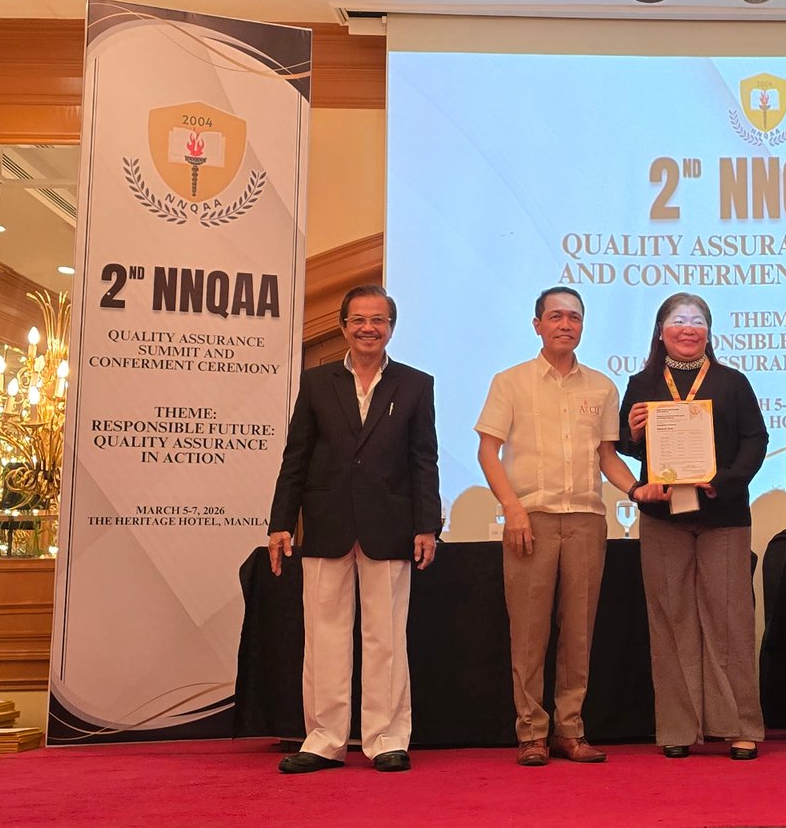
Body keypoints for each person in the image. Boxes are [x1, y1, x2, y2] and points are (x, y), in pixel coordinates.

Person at [476, 286, 665, 766]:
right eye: (556, 316)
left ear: (583, 326)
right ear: (537, 324)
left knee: (578, 631)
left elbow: (607, 457)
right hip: (530, 518)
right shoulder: (510, 382)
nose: (566, 325)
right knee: (529, 632)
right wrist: (512, 508)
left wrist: (636, 489)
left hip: (586, 519)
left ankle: (570, 729)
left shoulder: (601, 387)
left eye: (574, 317)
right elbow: (488, 451)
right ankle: (531, 733)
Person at [268, 285, 441, 775]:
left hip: (391, 526)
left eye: (379, 320)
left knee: (386, 638)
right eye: (359, 319)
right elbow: (296, 457)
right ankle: (324, 740)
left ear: (391, 327)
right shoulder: (316, 382)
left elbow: (423, 460)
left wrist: (427, 525)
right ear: (343, 326)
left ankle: (387, 738)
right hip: (327, 524)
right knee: (324, 638)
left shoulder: (415, 384)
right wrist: (281, 523)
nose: (369, 328)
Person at [617, 293, 768, 761]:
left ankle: (739, 726)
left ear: (709, 330)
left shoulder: (732, 381)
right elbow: (628, 446)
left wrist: (722, 482)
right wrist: (633, 433)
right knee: (670, 618)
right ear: (661, 330)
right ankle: (677, 727)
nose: (688, 328)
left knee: (730, 619)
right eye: (679, 320)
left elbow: (756, 440)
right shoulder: (641, 383)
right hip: (663, 517)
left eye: (698, 321)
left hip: (723, 514)